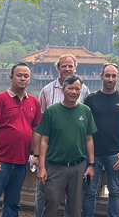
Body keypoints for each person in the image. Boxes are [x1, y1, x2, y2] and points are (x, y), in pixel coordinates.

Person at [0, 63, 41, 217]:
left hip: (21, 161)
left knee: (13, 204)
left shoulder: (34, 102)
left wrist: (36, 155)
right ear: (11, 78)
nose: (23, 78)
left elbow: (35, 131)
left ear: (30, 79)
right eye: (19, 75)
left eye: (26, 76)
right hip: (0, 161)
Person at [36, 54, 90, 217]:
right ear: (58, 68)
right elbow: (41, 126)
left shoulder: (85, 90)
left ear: (75, 68)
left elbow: (85, 125)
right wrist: (38, 157)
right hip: (52, 156)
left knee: (74, 204)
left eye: (70, 66)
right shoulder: (46, 90)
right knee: (47, 197)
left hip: (75, 157)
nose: (67, 69)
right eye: (63, 66)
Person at [82, 63, 119, 217]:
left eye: (113, 76)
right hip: (94, 153)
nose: (110, 79)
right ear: (101, 77)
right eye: (107, 75)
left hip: (115, 154)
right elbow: (86, 128)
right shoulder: (91, 99)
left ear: (117, 77)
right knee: (90, 191)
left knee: (115, 191)